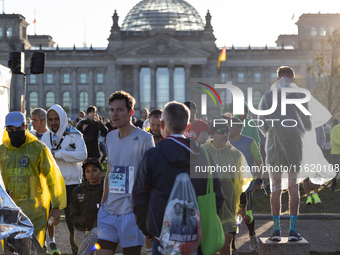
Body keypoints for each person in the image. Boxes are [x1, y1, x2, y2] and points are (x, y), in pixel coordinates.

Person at [132, 102, 223, 255]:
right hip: (195, 237)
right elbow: (217, 196)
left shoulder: (152, 155)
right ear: (188, 126)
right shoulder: (204, 156)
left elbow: (139, 197)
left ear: (162, 124)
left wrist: (150, 230)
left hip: (161, 236)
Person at [259, 66, 332, 241]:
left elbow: (262, 125)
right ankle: (293, 230)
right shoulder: (301, 96)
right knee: (293, 187)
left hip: (274, 147)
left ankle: (276, 230)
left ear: (278, 78)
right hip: (294, 147)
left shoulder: (268, 97)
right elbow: (307, 125)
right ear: (293, 79)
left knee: (276, 188)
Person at [96, 91, 154, 255]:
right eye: (112, 110)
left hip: (132, 213)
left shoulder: (145, 138)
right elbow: (110, 172)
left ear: (130, 112)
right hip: (109, 212)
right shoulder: (110, 137)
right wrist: (102, 205)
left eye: (120, 110)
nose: (115, 114)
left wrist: (143, 211)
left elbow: (152, 177)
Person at [0, 111, 66, 247]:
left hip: (35, 210)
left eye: (18, 129)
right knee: (12, 248)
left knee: (33, 248)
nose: (14, 133)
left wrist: (56, 206)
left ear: (25, 127)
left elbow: (52, 178)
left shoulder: (38, 149)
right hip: (10, 210)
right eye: (10, 130)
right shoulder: (2, 151)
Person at [41, 104, 87, 255]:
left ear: (62, 118)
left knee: (72, 224)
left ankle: (76, 252)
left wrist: (60, 154)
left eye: (56, 119)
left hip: (71, 184)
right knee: (45, 219)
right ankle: (47, 245)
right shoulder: (46, 136)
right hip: (51, 184)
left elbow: (82, 155)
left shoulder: (75, 134)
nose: (53, 122)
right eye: (50, 119)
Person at [202, 118, 252, 255]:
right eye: (221, 131)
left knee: (225, 244)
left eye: (227, 131)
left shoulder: (235, 154)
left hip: (228, 207)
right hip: (206, 208)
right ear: (212, 133)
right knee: (208, 247)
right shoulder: (201, 152)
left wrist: (242, 205)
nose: (225, 135)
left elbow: (241, 182)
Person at [228, 117, 263, 252]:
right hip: (229, 186)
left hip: (245, 185)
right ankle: (232, 247)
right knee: (230, 216)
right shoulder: (224, 142)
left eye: (230, 126)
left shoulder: (249, 142)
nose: (228, 129)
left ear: (238, 128)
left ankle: (252, 235)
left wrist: (258, 181)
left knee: (246, 216)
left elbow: (259, 163)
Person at [70, 157, 104, 249]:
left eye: (94, 170)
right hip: (83, 231)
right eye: (87, 171)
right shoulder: (78, 191)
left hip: (105, 231)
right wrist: (85, 219)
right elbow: (72, 217)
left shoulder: (107, 189)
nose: (91, 174)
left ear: (101, 171)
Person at [303, 126, 325, 204]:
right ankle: (308, 196)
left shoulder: (319, 125)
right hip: (305, 154)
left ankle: (315, 193)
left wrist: (319, 149)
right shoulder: (302, 124)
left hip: (316, 154)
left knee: (317, 174)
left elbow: (322, 138)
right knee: (306, 176)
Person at [330, 120, 340, 191]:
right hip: (335, 152)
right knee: (335, 169)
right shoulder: (335, 128)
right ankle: (333, 184)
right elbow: (333, 139)